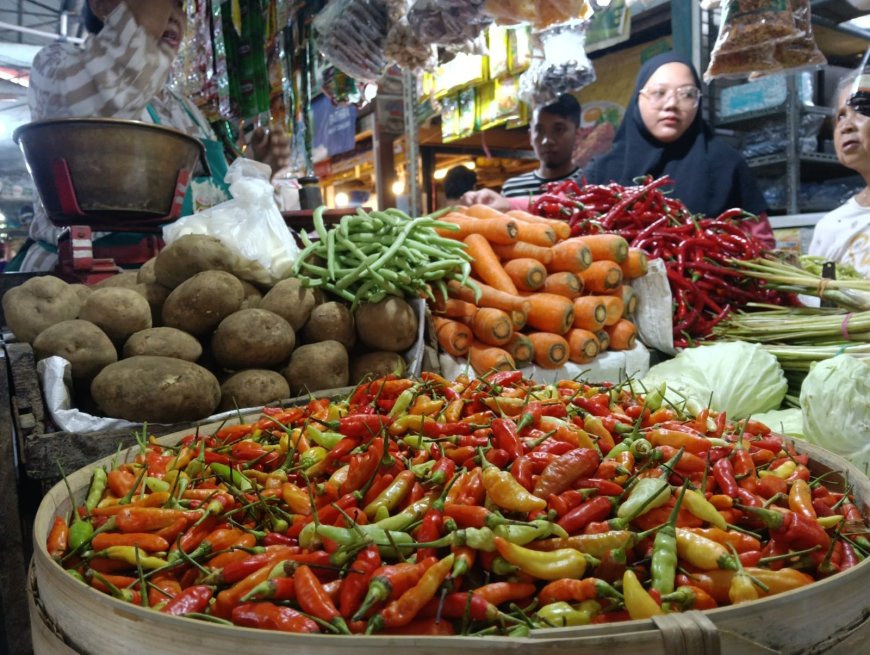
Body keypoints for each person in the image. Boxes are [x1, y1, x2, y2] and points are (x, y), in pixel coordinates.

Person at [11, 0, 290, 273]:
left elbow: (218, 210)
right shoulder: (57, 64)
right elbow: (109, 85)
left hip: (174, 275)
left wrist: (257, 172)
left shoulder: (186, 108)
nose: (174, 15)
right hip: (80, 276)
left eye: (179, 6)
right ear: (101, 5)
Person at [585, 51, 774, 247]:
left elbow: (761, 243)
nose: (672, 104)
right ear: (638, 99)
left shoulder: (727, 165)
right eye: (659, 93)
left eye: (687, 94)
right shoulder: (601, 171)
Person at [807, 72, 870, 277]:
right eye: (840, 116)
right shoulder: (831, 227)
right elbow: (816, 295)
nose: (845, 125)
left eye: (861, 108)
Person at [500, 94, 583, 198]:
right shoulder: (511, 190)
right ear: (530, 136)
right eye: (539, 130)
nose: (546, 141)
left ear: (577, 135)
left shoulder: (591, 184)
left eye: (558, 129)